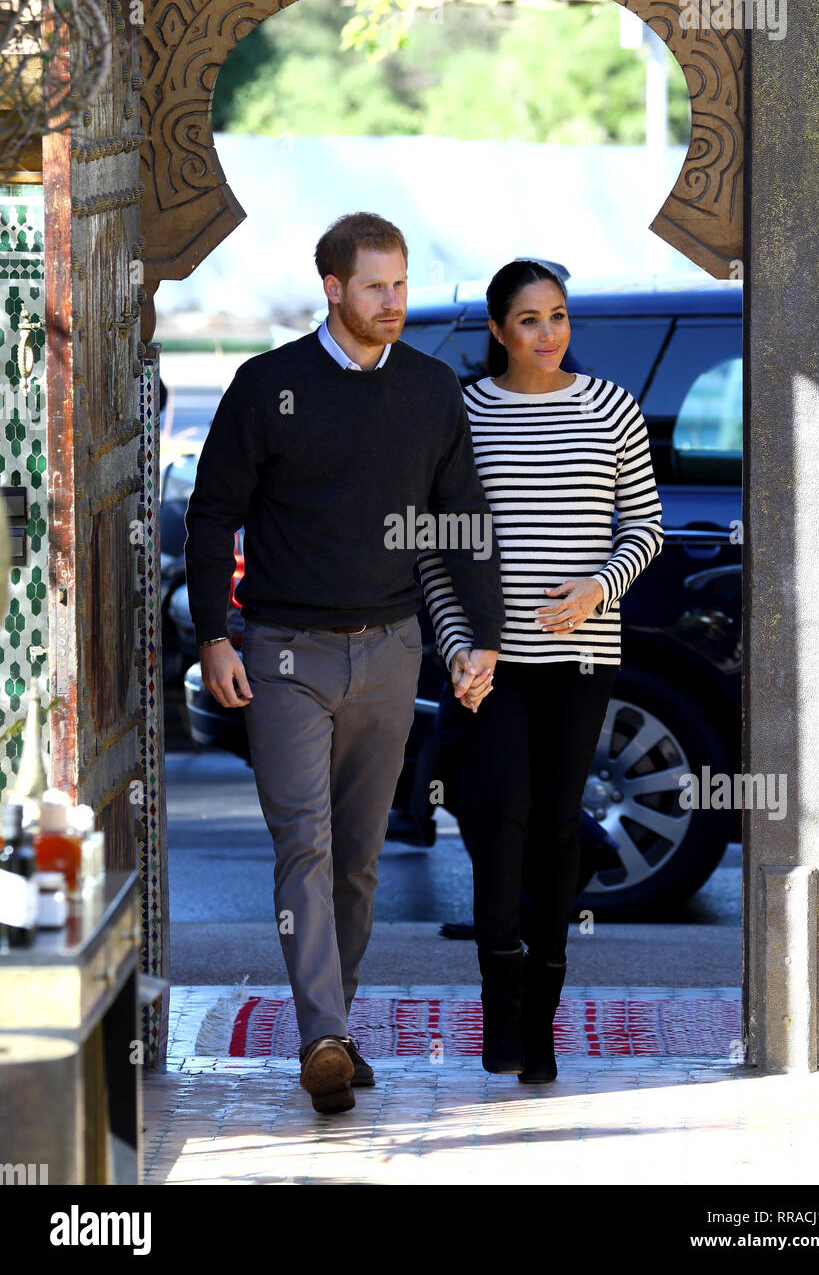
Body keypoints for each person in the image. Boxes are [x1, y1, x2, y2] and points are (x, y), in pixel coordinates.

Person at [183, 213, 504, 1113]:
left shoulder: (435, 389)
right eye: (374, 287)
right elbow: (213, 516)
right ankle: (321, 1032)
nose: (392, 302)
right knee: (306, 844)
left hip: (394, 650)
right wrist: (215, 635)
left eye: (400, 284)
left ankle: (336, 1025)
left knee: (359, 857)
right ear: (332, 288)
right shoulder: (267, 384)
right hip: (283, 652)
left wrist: (479, 638)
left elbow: (460, 523)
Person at [418, 259, 664, 1082]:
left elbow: (646, 529)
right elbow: (436, 551)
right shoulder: (463, 415)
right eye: (528, 319)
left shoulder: (611, 409)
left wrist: (599, 586)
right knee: (499, 822)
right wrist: (458, 647)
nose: (548, 333)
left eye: (557, 315)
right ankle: (501, 1011)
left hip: (582, 658)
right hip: (492, 664)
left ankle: (543, 1019)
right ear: (497, 331)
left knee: (558, 826)